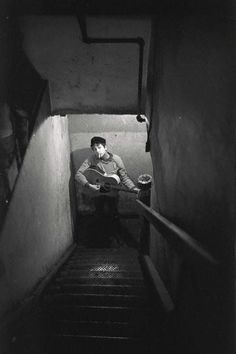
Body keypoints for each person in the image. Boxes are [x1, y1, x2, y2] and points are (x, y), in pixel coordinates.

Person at [75, 136, 139, 245]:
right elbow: (78, 174)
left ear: (105, 147)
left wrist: (133, 188)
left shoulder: (116, 160)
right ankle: (100, 243)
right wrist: (89, 185)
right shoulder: (91, 159)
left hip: (112, 194)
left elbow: (124, 177)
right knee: (98, 216)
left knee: (113, 215)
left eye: (99, 147)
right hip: (97, 194)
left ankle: (115, 241)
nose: (97, 151)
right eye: (94, 149)